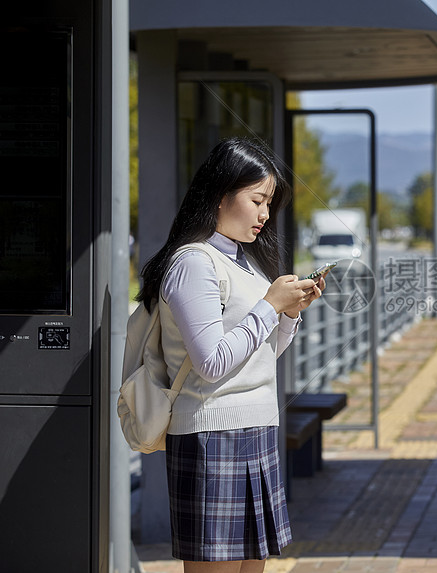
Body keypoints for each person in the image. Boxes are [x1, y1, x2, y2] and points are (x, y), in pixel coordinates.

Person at [136, 137, 323, 572]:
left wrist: (288, 316)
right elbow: (212, 362)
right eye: (257, 199)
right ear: (221, 194)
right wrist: (269, 306)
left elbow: (258, 356)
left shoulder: (245, 262)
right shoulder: (192, 263)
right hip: (211, 436)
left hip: (256, 427)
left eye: (269, 203)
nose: (264, 214)